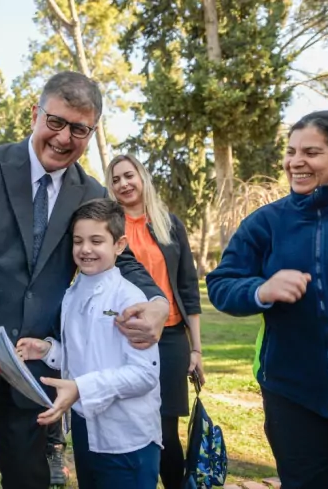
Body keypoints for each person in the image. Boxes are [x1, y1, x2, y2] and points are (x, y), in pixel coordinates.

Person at [0, 70, 171, 489]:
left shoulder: (90, 193)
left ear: (91, 132)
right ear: (35, 113)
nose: (64, 138)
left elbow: (124, 260)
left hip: (33, 363)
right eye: (55, 122)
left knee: (28, 478)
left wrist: (158, 305)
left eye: (79, 129)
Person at [206, 110, 328, 488]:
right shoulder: (267, 222)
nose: (295, 162)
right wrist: (260, 290)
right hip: (295, 397)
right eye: (290, 152)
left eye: (311, 152)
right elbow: (222, 283)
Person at [16, 198, 162, 489]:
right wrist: (48, 351)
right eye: (78, 241)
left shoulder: (130, 299)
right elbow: (86, 353)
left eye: (97, 240)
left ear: (119, 245)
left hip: (126, 437)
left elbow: (144, 375)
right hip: (84, 429)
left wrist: (81, 388)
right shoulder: (71, 294)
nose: (85, 249)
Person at [106, 154, 203, 489]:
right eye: (116, 179)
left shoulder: (169, 223)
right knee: (129, 423)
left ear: (142, 177)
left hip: (172, 338)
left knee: (165, 429)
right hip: (126, 337)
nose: (123, 184)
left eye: (129, 175)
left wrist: (197, 350)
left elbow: (188, 287)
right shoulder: (110, 227)